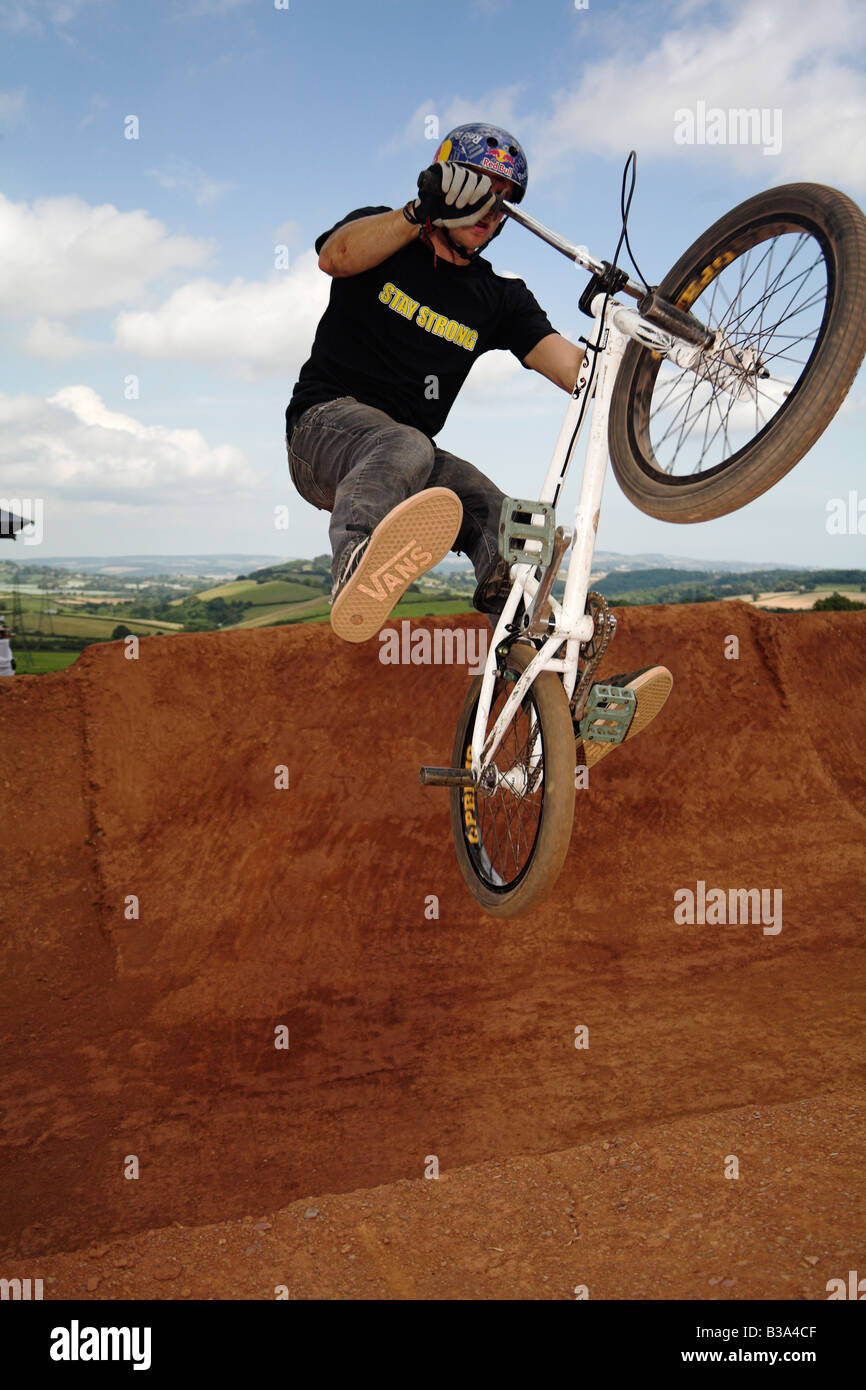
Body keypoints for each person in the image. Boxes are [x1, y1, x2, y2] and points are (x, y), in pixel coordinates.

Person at [285, 121, 671, 756]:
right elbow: (336, 256)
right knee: (405, 445)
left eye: (504, 203)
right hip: (325, 430)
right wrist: (418, 211)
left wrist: (630, 343)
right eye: (480, 192)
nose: (492, 213)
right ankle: (356, 564)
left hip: (410, 458)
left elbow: (576, 373)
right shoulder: (385, 236)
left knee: (517, 524)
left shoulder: (498, 299)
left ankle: (559, 710)